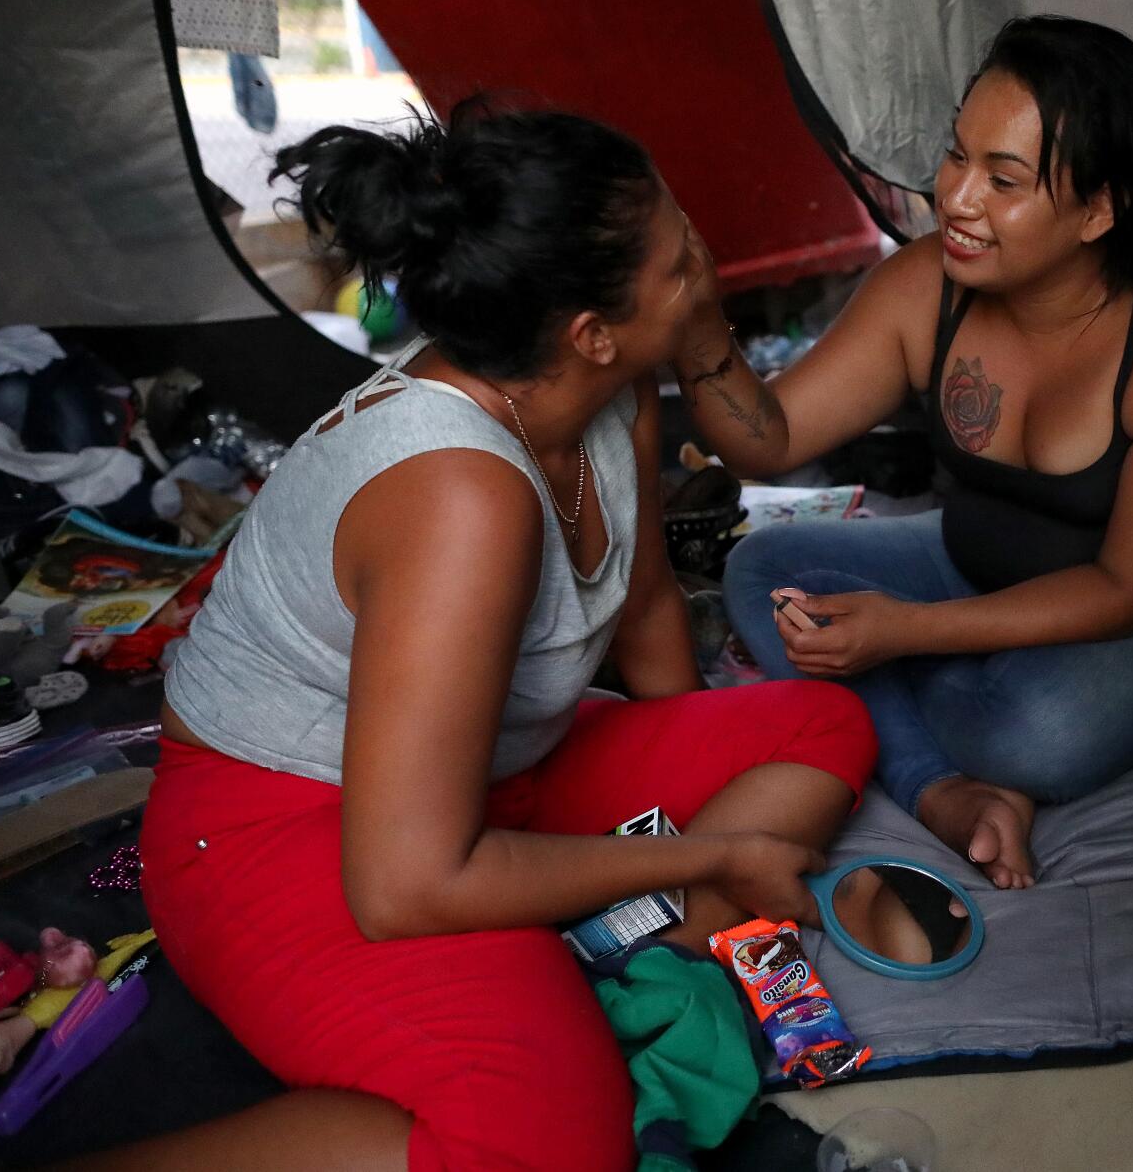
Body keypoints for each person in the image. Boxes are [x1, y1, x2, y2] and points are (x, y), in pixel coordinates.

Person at [100, 104, 876, 1172]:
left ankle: (591, 930)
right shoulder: (458, 494)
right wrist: (717, 849)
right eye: (680, 262)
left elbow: (647, 607)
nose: (705, 261)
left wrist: (683, 781)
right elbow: (405, 882)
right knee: (552, 1133)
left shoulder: (607, 390)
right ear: (590, 332)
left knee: (819, 723)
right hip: (287, 826)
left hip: (492, 773)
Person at [685, 16, 1133, 889]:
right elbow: (768, 439)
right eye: (958, 156)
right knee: (763, 569)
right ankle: (943, 789)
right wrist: (694, 323)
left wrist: (905, 631)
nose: (955, 198)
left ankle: (930, 737)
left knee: (1035, 733)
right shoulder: (929, 284)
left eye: (1005, 180)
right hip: (968, 561)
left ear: (1099, 209)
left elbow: (1125, 588)